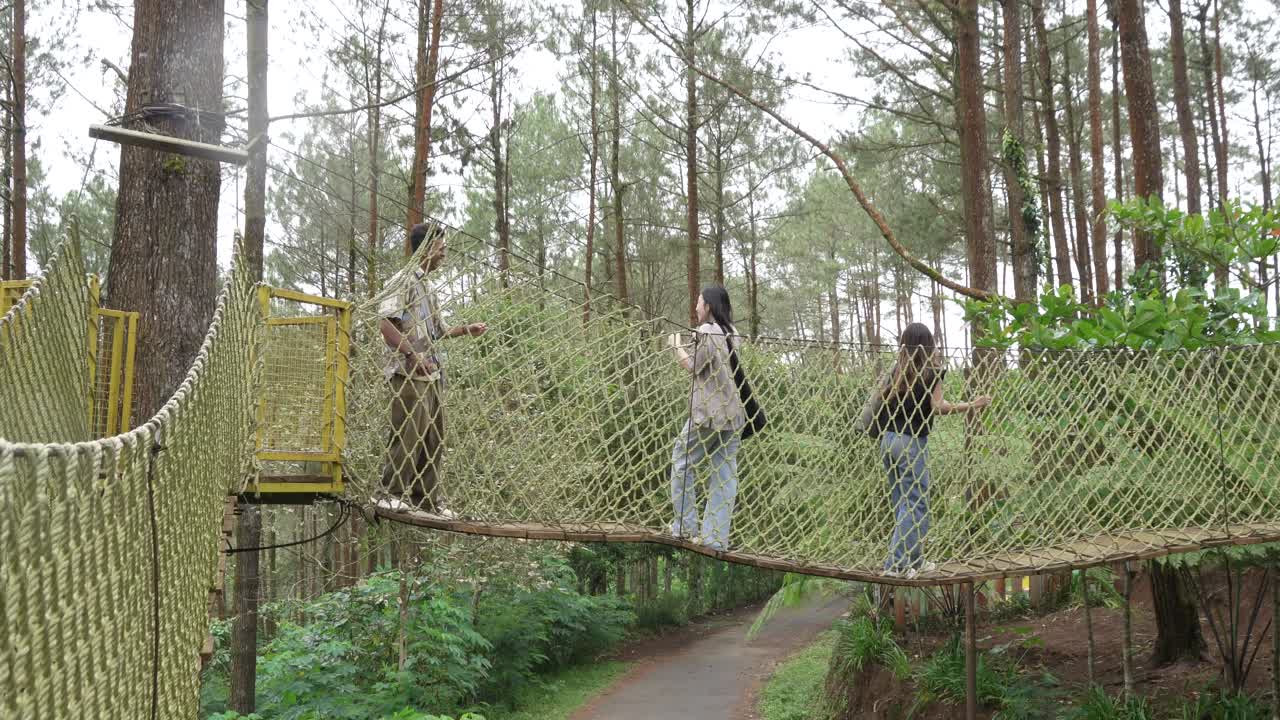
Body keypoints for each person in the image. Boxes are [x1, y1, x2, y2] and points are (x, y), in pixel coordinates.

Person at [378, 222, 487, 515]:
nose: (444, 255)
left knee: (433, 435)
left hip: (432, 373)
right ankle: (390, 493)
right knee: (408, 432)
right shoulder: (403, 281)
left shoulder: (427, 286)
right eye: (442, 248)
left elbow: (437, 331)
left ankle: (425, 499)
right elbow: (386, 323)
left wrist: (466, 329)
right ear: (426, 248)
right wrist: (413, 356)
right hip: (407, 373)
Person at [875, 322, 990, 578]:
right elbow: (938, 406)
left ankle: (914, 560)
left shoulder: (896, 371)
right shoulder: (931, 372)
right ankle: (896, 564)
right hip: (911, 442)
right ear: (928, 343)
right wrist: (973, 404)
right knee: (916, 503)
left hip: (888, 440)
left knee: (901, 501)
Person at [666, 286, 746, 551]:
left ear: (709, 306)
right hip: (734, 417)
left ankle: (684, 527)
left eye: (698, 302)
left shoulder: (708, 332)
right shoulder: (733, 333)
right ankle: (715, 537)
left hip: (708, 416)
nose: (696, 307)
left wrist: (676, 346)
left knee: (682, 461)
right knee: (724, 474)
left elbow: (693, 366)